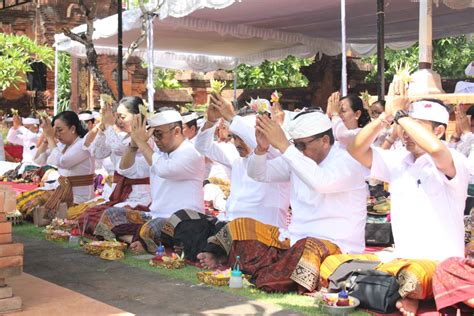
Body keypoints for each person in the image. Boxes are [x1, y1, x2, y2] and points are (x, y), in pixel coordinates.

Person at [197, 109, 368, 293]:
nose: (299, 151)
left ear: (325, 141)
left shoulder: (348, 161)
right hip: (293, 240)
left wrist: (286, 147)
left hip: (336, 246)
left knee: (309, 248)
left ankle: (267, 273)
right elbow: (258, 173)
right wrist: (261, 150)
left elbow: (319, 181)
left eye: (302, 145)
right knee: (240, 226)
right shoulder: (297, 158)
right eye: (297, 145)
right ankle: (255, 267)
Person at [347, 78, 470, 315]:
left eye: (416, 127)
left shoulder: (455, 161)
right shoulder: (397, 160)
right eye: (403, 128)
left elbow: (435, 149)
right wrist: (386, 117)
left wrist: (401, 114)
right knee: (342, 265)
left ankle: (412, 294)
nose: (405, 133)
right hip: (402, 262)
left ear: (439, 131)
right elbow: (355, 149)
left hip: (441, 267)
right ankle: (408, 294)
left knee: (414, 273)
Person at [94, 107, 205, 253]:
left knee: (152, 228)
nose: (156, 140)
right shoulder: (158, 154)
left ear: (177, 131)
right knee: (110, 215)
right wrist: (133, 146)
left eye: (159, 134)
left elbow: (164, 169)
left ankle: (135, 241)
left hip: (183, 220)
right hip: (154, 215)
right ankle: (137, 241)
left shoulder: (191, 152)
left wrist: (142, 143)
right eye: (153, 135)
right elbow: (126, 169)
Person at [195, 94, 290, 228]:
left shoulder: (276, 156)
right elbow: (202, 146)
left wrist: (231, 118)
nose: (237, 143)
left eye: (241, 137)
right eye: (234, 137)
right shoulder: (236, 158)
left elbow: (262, 142)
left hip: (263, 235)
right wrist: (211, 121)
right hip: (228, 226)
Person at [76, 97, 152, 232]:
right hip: (117, 192)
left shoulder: (146, 137)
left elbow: (120, 149)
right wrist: (103, 127)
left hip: (139, 196)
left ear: (138, 116)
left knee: (103, 219)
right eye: (116, 117)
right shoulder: (120, 136)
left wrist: (109, 126)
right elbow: (97, 152)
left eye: (122, 117)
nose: (118, 121)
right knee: (84, 216)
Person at [17, 111, 95, 218]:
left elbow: (62, 162)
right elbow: (38, 160)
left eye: (60, 130)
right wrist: (46, 139)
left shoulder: (82, 144)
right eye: (55, 131)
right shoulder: (62, 145)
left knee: (37, 211)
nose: (57, 135)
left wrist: (50, 138)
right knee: (22, 203)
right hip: (60, 192)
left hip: (79, 198)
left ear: (72, 129)